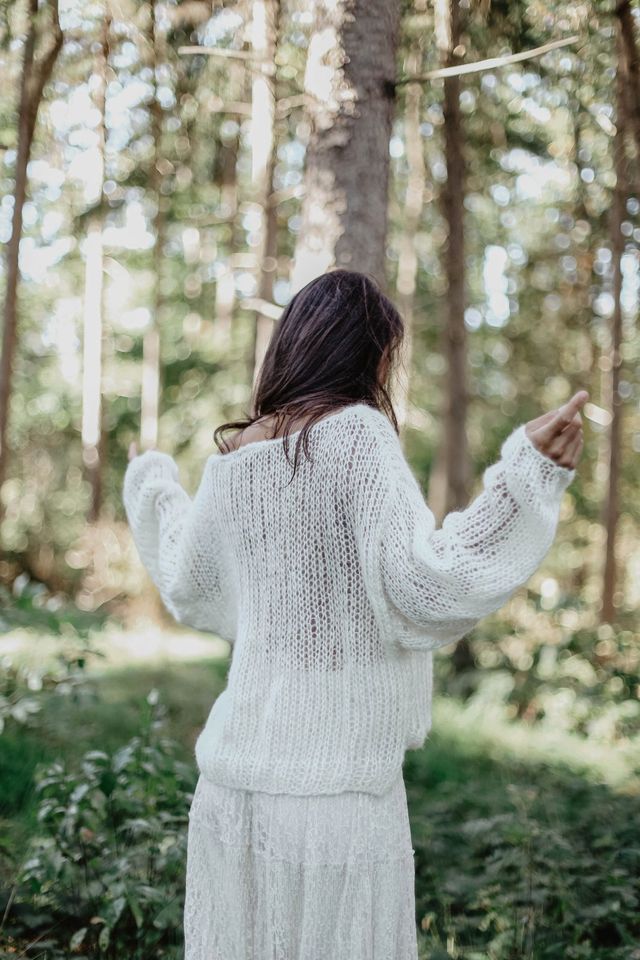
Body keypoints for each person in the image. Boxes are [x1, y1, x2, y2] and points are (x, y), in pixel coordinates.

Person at [123, 269, 586, 960]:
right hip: (335, 797)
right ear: (366, 354)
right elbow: (426, 589)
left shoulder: (233, 459)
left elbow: (188, 581)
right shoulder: (358, 439)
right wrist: (526, 477)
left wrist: (152, 482)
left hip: (230, 791)